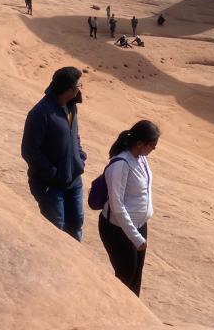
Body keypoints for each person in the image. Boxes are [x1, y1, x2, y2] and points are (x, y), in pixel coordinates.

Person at [21, 67, 87, 241]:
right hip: (51, 187)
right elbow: (29, 151)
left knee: (76, 225)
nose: (80, 87)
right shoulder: (40, 113)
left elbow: (75, 136)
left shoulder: (72, 107)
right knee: (56, 231)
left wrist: (80, 158)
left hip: (74, 182)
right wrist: (53, 174)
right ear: (68, 89)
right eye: (78, 84)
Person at [99, 120, 159, 296]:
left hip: (139, 225)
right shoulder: (120, 164)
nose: (154, 149)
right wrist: (135, 237)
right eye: (153, 144)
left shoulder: (141, 159)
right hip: (118, 230)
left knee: (136, 275)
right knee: (125, 276)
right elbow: (117, 205)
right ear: (140, 144)